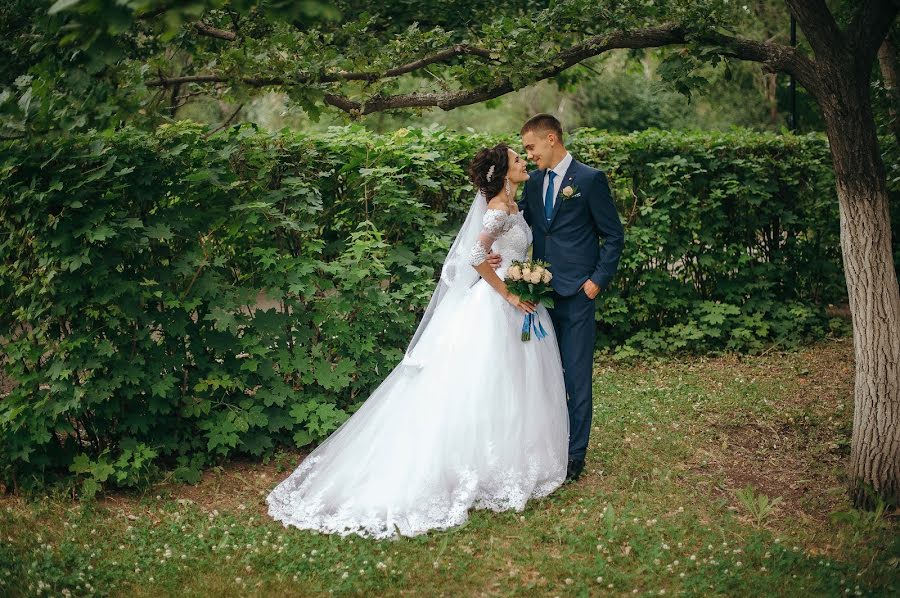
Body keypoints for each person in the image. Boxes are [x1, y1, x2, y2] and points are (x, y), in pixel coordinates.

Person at [266, 143, 569, 540]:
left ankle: (508, 459)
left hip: (515, 303)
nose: (523, 162)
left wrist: (518, 273)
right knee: (483, 385)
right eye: (517, 160)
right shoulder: (497, 208)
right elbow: (475, 253)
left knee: (510, 385)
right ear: (502, 172)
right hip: (496, 308)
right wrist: (509, 293)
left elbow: (490, 252)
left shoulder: (511, 207)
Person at [513, 113, 625, 482]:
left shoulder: (590, 180)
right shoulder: (532, 183)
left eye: (531, 147)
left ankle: (575, 455)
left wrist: (596, 281)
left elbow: (613, 236)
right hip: (540, 295)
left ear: (551, 138)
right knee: (545, 376)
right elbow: (524, 229)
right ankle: (551, 444)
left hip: (578, 294)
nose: (529, 155)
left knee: (577, 378)